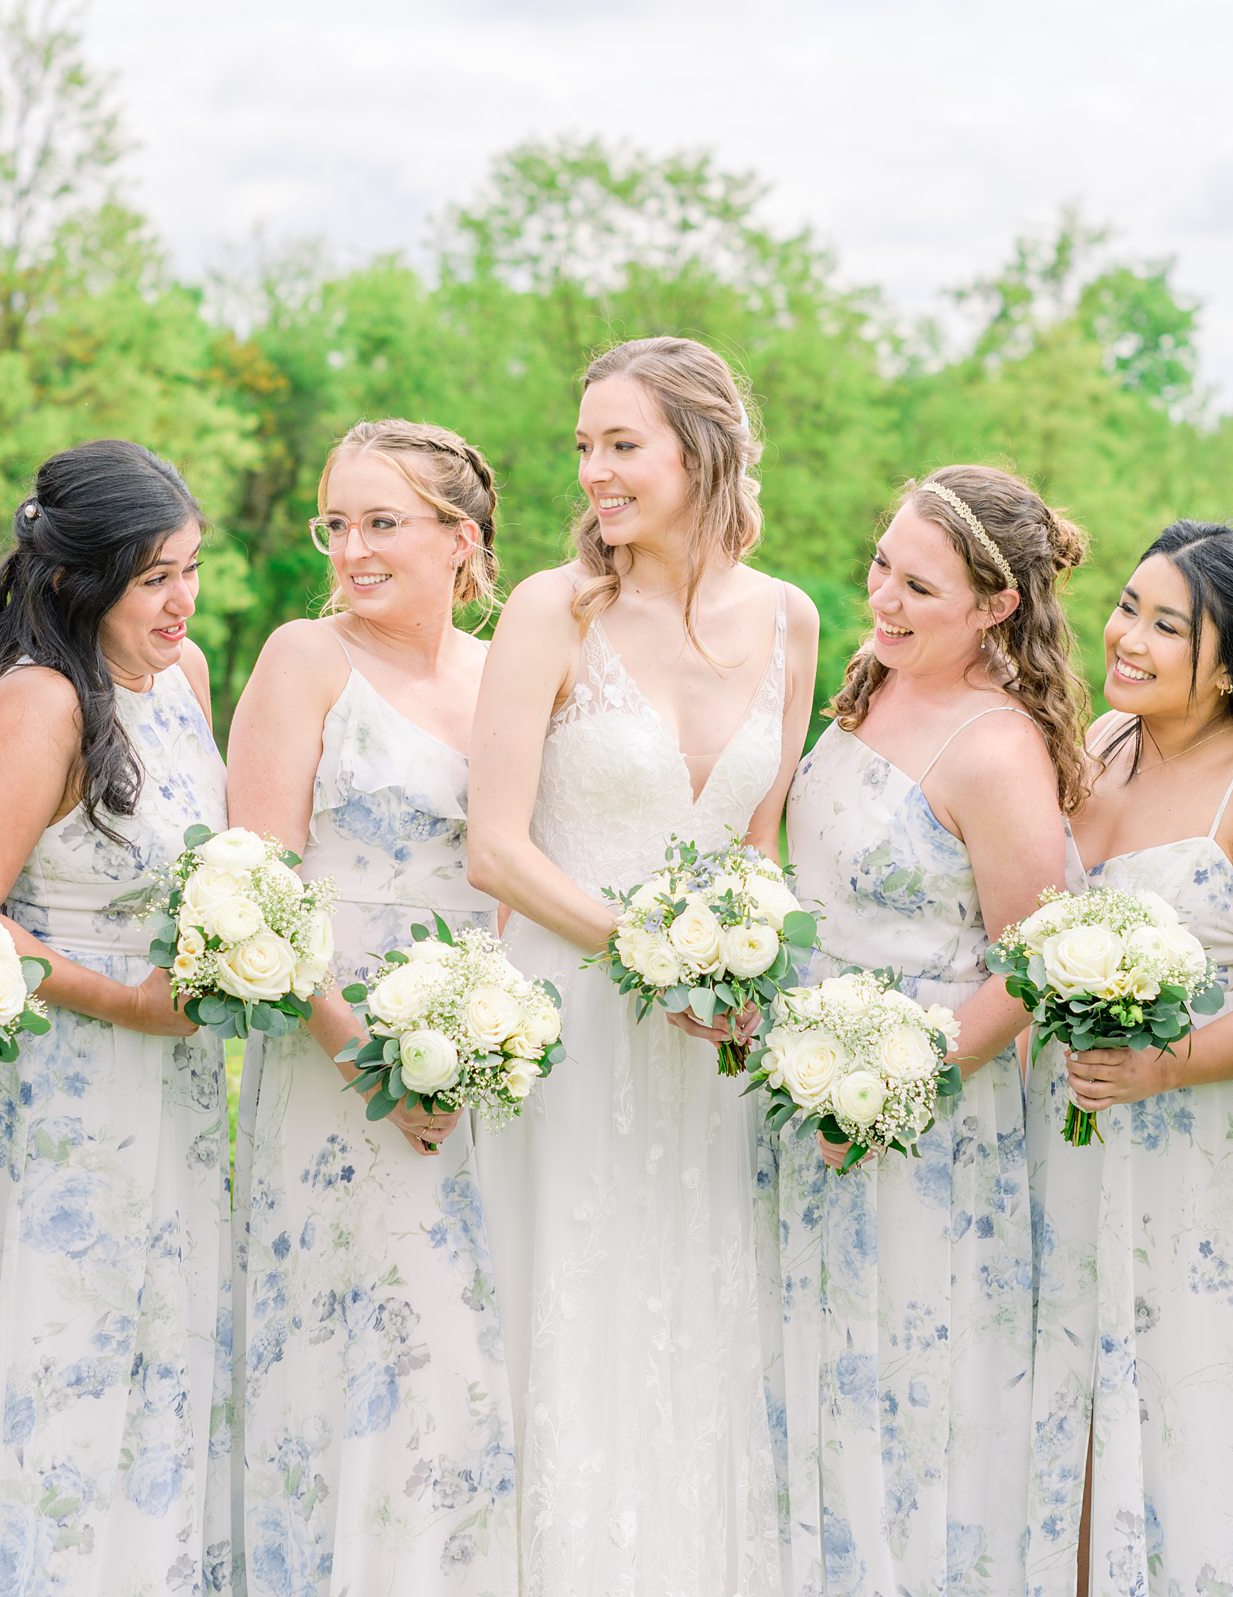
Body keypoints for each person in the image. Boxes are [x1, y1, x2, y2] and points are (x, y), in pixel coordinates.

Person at [466, 336, 818, 1594]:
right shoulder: (552, 609)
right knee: (568, 1316)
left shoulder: (790, 616)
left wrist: (744, 972)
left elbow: (763, 834)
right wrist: (653, 959)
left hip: (713, 1048)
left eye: (623, 444)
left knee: (696, 1324)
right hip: (569, 1020)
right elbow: (495, 848)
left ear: (702, 449)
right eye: (585, 447)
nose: (596, 471)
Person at [769, 466, 1078, 1593]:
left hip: (924, 1128)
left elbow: (1029, 967)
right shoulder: (875, 679)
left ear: (996, 607)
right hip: (800, 1086)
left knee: (900, 1403)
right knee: (806, 1394)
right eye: (881, 567)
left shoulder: (997, 749)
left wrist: (891, 1089)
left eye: (920, 588)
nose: (883, 601)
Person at [0, 440, 233, 1592]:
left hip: (178, 1091)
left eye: (190, 568)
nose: (182, 600)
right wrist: (124, 1000)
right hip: (59, 1091)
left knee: (159, 1370)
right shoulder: (39, 702)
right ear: (76, 578)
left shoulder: (188, 676)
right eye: (153, 577)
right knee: (64, 1374)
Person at [226, 419, 516, 1593]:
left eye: (381, 522)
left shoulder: (504, 679)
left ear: (462, 538)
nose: (350, 548)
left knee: (460, 1368)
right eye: (335, 523)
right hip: (330, 1062)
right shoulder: (305, 657)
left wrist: (481, 1045)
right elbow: (253, 891)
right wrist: (368, 1060)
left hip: (481, 1070)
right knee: (344, 1360)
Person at [1028, 521, 1233, 1594]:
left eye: (1170, 625)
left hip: (1196, 1157)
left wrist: (1170, 1064)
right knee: (1063, 1404)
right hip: (1063, 1141)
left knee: (1179, 1407)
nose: (1129, 636)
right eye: (1128, 607)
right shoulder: (1101, 743)